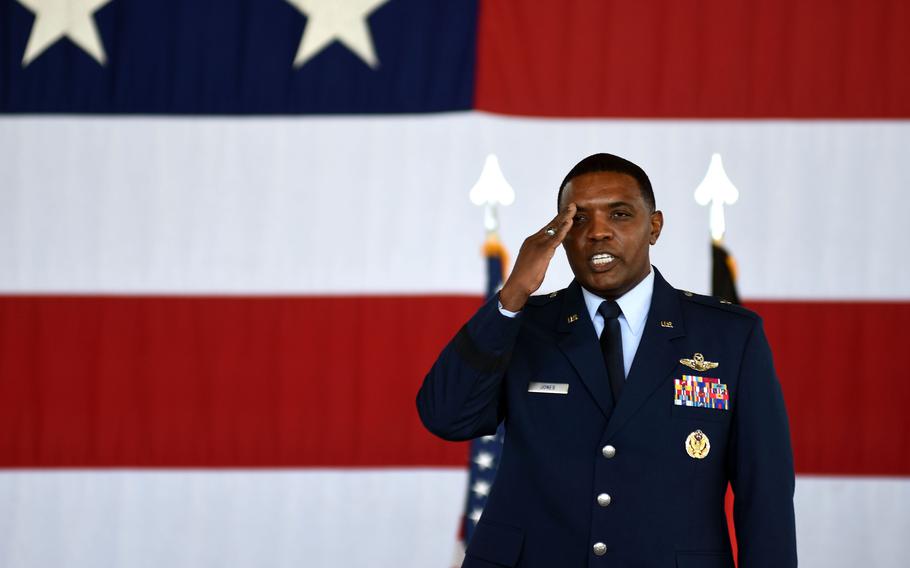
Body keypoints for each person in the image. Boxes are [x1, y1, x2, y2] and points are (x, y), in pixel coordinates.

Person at [416, 153, 797, 568]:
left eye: (619, 214)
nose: (598, 232)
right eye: (578, 220)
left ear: (654, 227)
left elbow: (765, 495)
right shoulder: (523, 325)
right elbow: (446, 416)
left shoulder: (729, 336)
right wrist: (511, 296)